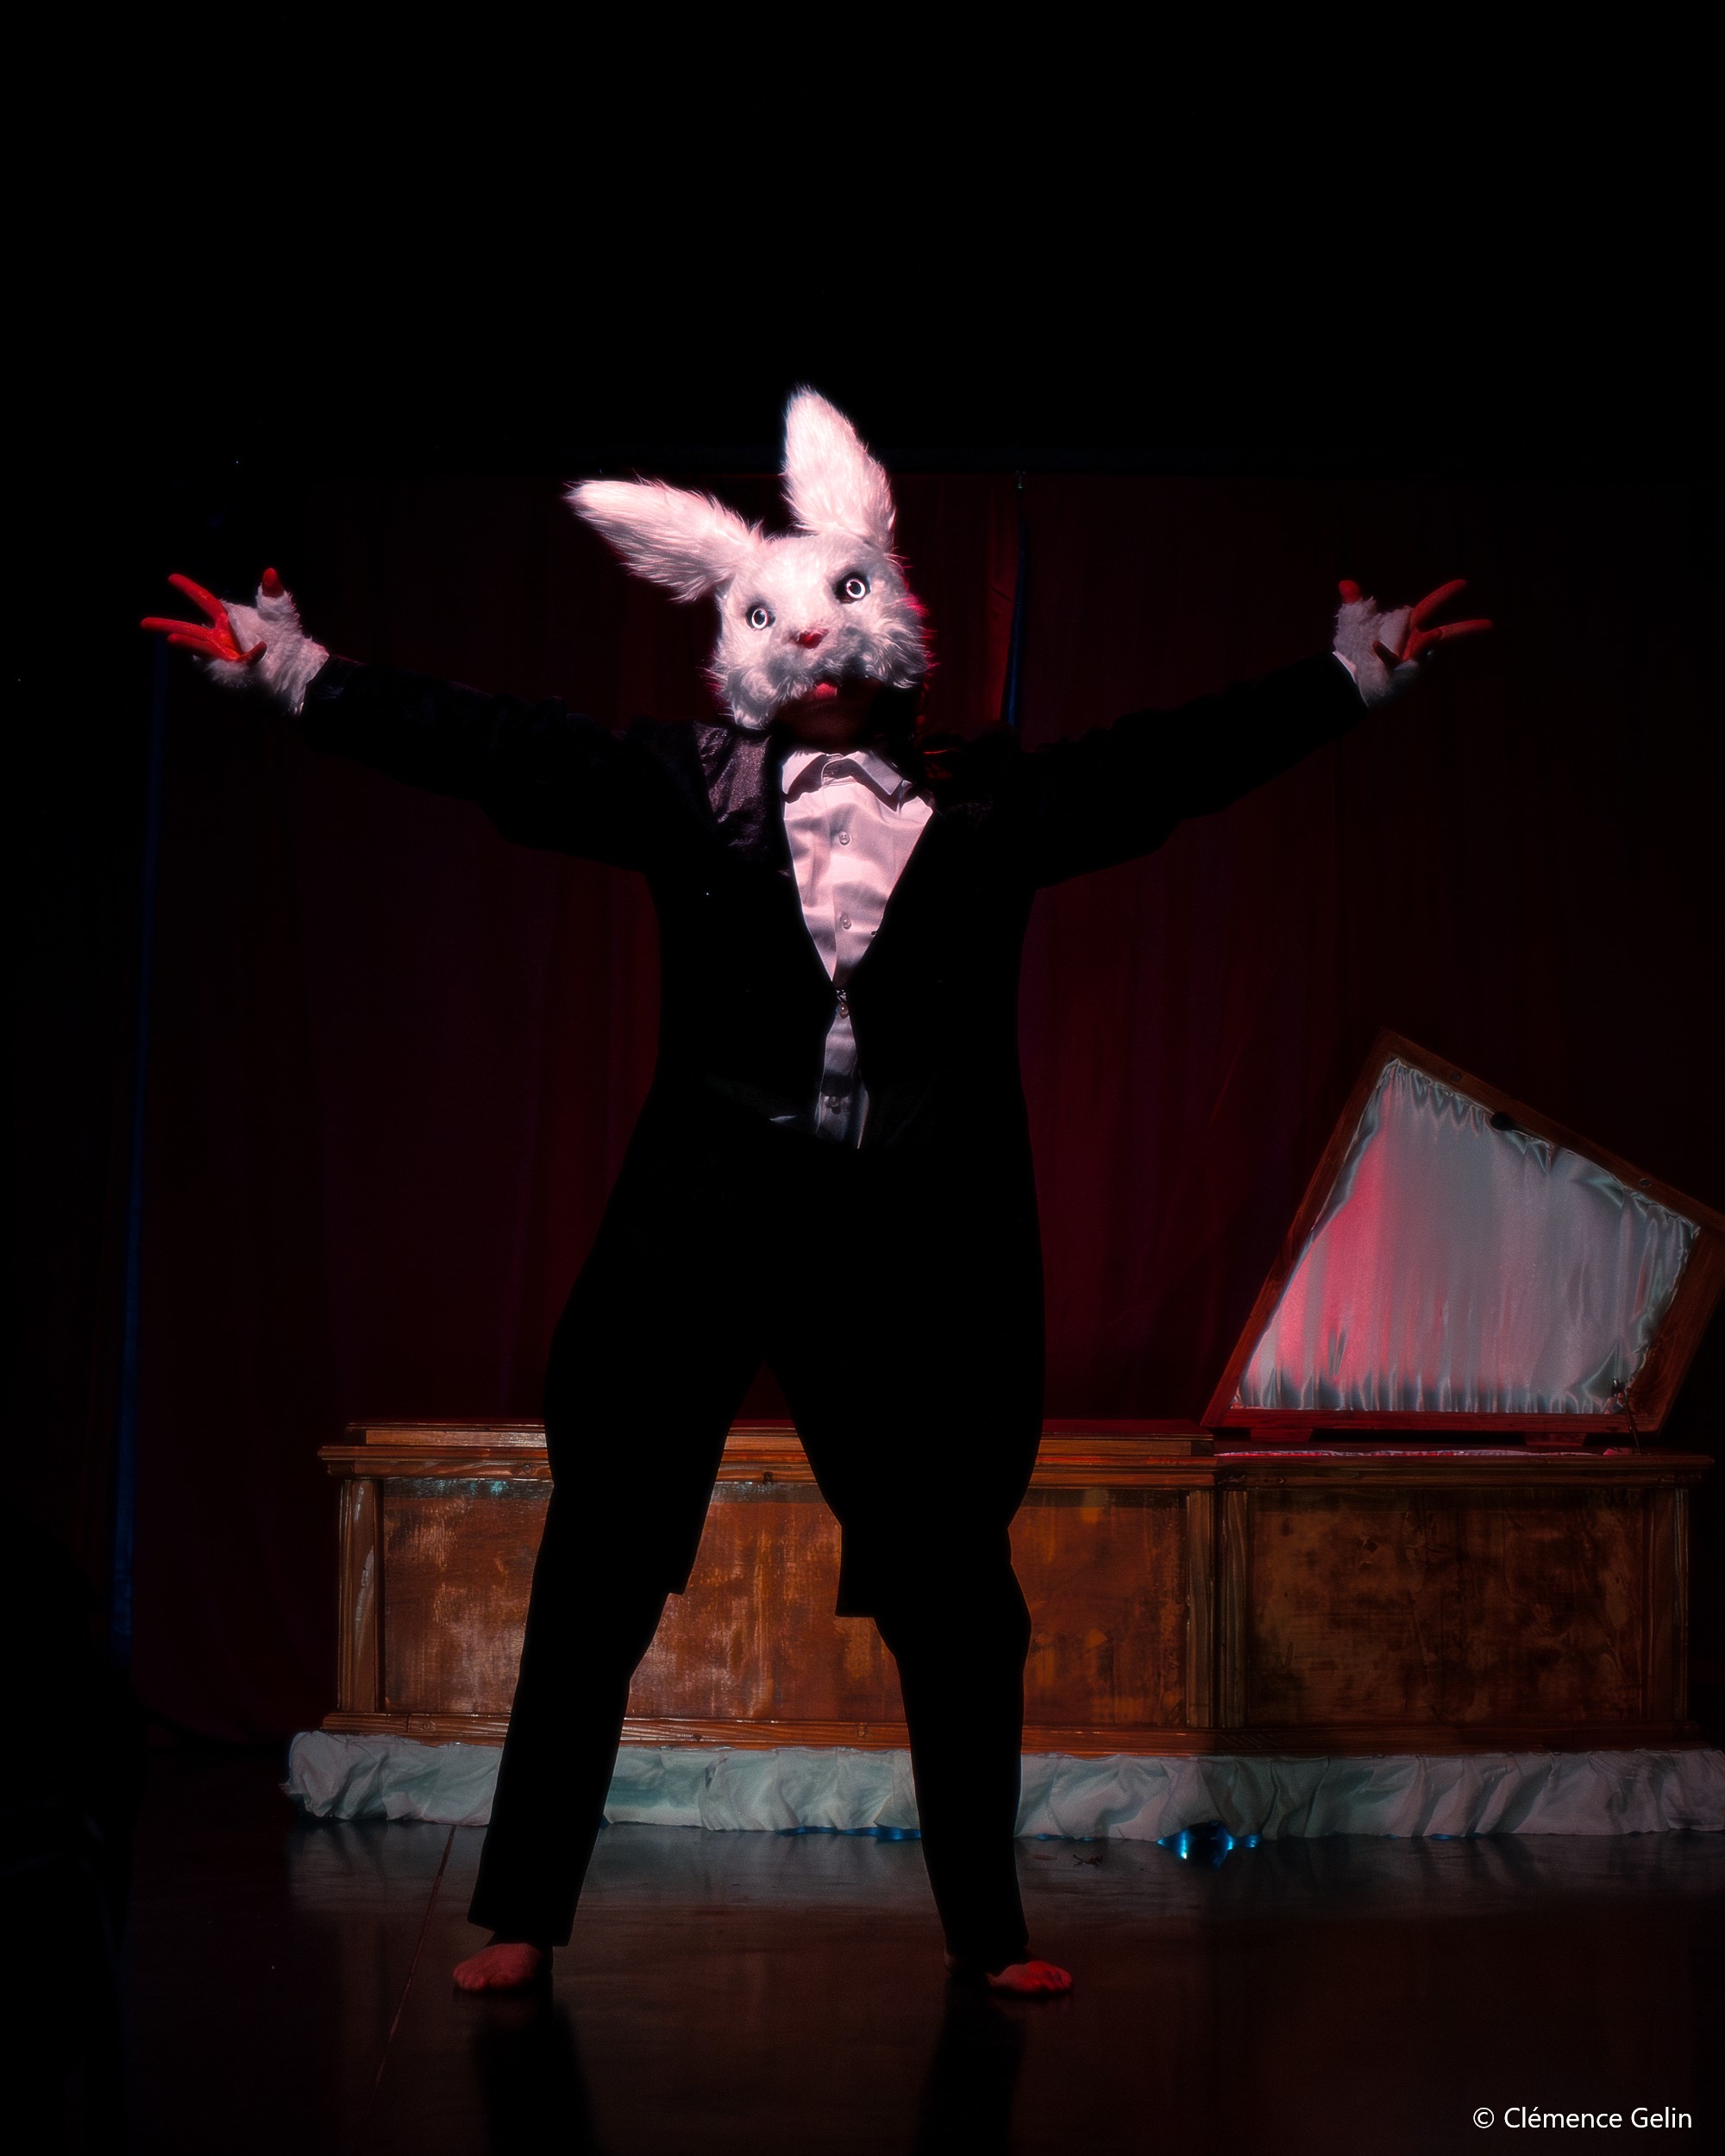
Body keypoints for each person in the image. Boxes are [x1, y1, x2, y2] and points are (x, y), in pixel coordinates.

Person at [145, 391, 1489, 1997]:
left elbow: (1163, 770)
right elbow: (498, 746)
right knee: (601, 1559)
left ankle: (990, 1932)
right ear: (744, 647)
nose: (818, 648)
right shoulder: (685, 785)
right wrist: (299, 672)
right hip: (702, 1221)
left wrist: (1345, 677)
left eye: (841, 608)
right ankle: (522, 1914)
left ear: (890, 622)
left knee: (956, 1590)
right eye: (779, 622)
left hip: (900, 1245)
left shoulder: (988, 801)